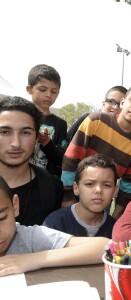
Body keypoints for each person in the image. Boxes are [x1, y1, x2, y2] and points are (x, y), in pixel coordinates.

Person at [61, 83, 131, 219]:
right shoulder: (96, 120)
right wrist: (68, 196)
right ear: (122, 102)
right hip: (74, 195)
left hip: (102, 203)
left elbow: (127, 185)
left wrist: (116, 215)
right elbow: (71, 158)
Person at [0, 175, 109, 277]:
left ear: (15, 206)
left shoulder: (29, 238)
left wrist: (33, 259)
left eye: (2, 218)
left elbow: (106, 247)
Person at [0, 96, 63, 226]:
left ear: (37, 137)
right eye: (5, 132)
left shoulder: (52, 187)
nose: (16, 143)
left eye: (26, 133)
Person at [43, 154, 117, 237]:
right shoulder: (55, 223)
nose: (98, 190)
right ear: (76, 188)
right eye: (90, 184)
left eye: (107, 185)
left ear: (114, 190)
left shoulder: (117, 230)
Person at [26, 64, 68, 177]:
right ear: (30, 89)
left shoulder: (60, 124)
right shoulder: (19, 116)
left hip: (47, 183)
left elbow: (62, 160)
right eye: (43, 89)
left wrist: (46, 142)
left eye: (54, 91)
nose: (48, 95)